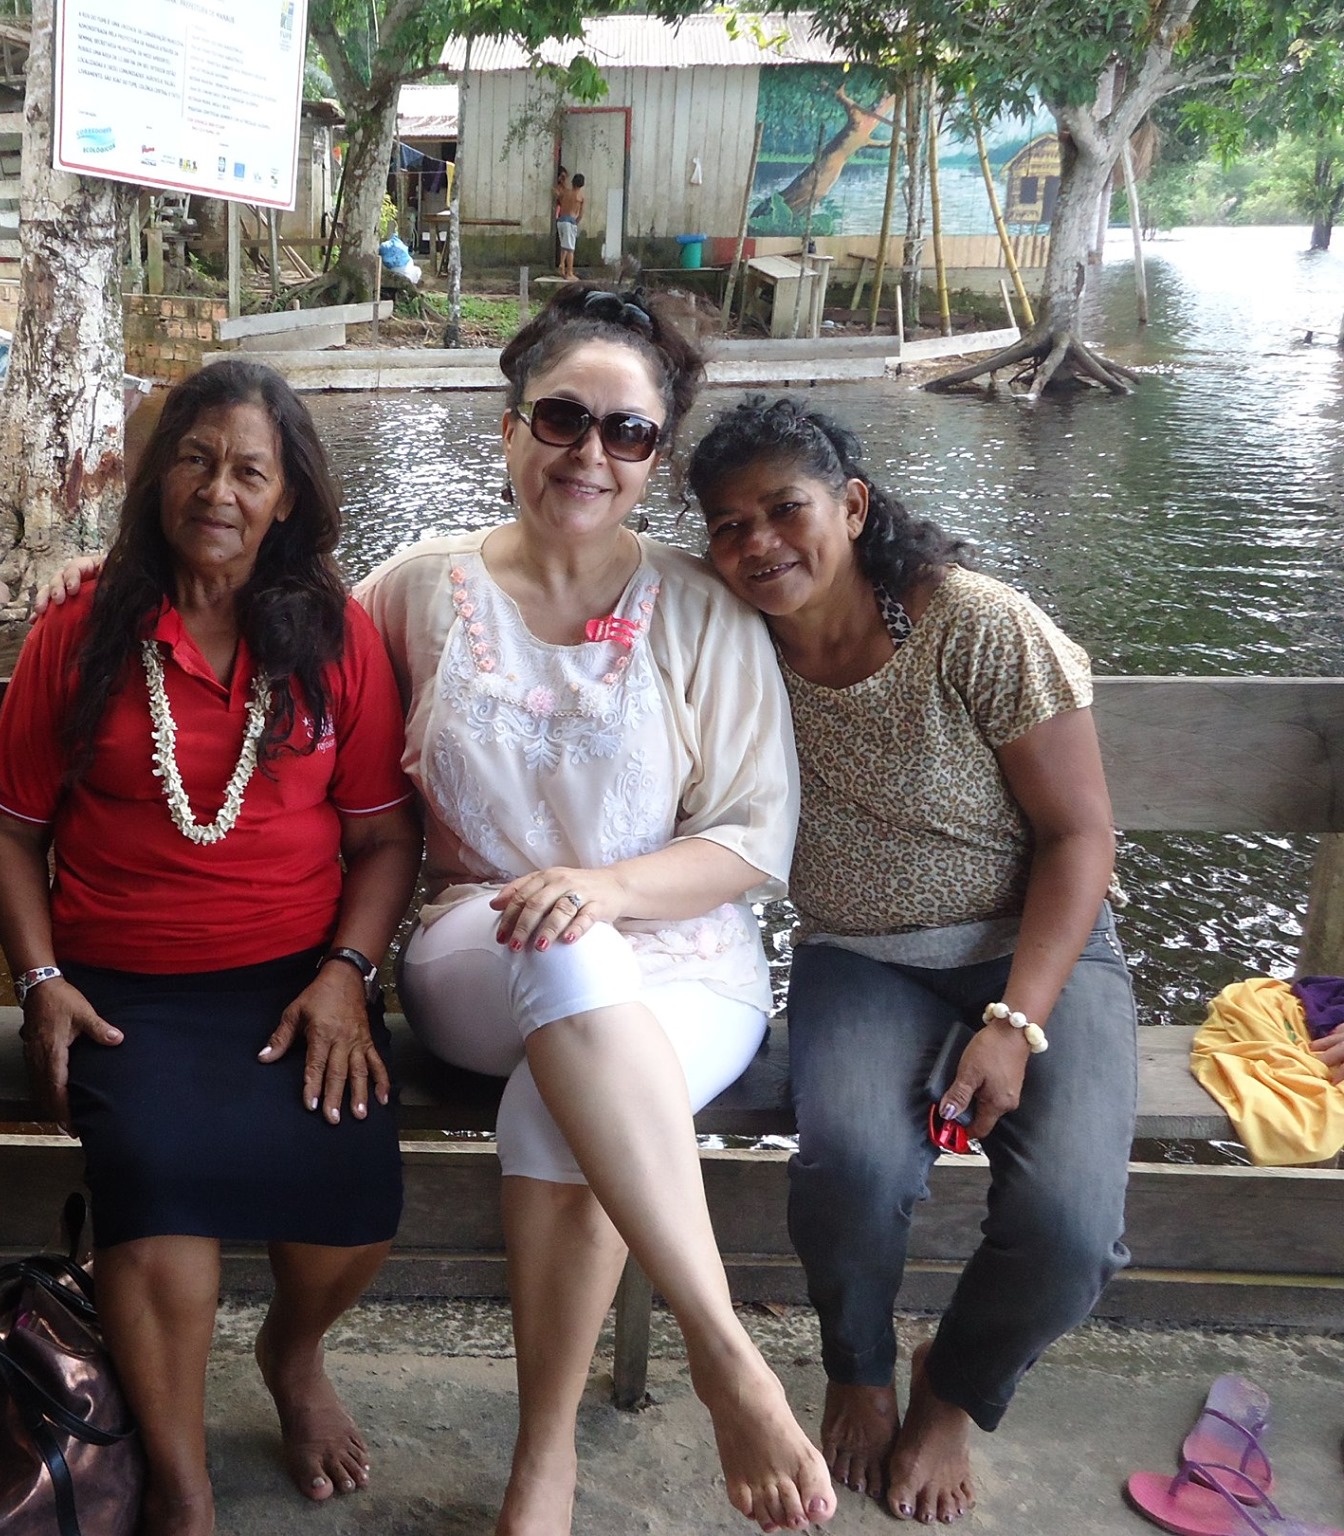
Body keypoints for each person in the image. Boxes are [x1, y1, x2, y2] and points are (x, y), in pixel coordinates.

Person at [357, 285, 834, 1536]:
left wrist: (609, 891)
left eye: (625, 433)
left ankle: (542, 1463)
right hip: (476, 945)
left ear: (654, 459)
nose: (587, 454)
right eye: (561, 418)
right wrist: (116, 578)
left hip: (684, 959)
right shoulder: (415, 589)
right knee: (563, 956)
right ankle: (725, 1356)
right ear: (509, 427)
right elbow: (277, 657)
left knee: (556, 1093)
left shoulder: (701, 608)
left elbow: (749, 837)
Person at [0, 359, 420, 1536]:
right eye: (194, 459)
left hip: (299, 980)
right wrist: (39, 981)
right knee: (155, 1192)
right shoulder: (80, 630)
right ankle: (182, 1489)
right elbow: (8, 830)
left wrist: (346, 976)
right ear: (154, 478)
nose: (218, 490)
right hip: (121, 988)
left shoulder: (334, 637)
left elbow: (384, 840)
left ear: (287, 498)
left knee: (355, 1197)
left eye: (248, 471)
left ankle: (291, 1355)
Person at [688, 395, 1136, 1525]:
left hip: (1033, 948)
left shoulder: (974, 623)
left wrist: (1014, 1022)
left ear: (850, 504)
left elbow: (1081, 837)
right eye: (728, 526)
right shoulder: (729, 640)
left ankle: (953, 1387)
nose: (758, 544)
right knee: (848, 1172)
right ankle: (858, 1367)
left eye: (784, 509)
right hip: (860, 956)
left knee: (1070, 1233)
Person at [554, 169, 587, 280]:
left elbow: (557, 193)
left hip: (561, 221)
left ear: (572, 182)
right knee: (570, 249)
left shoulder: (565, 192)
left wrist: (562, 181)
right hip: (570, 221)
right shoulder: (580, 197)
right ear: (582, 185)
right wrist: (575, 223)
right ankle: (569, 273)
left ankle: (562, 266)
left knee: (564, 246)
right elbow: (581, 214)